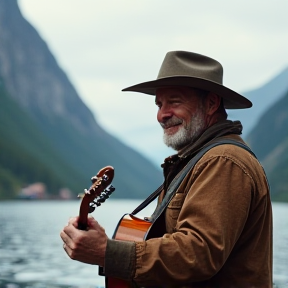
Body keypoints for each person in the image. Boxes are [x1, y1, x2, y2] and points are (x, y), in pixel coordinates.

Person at [60, 51, 272, 287]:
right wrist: (110, 247)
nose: (162, 115)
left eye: (175, 101)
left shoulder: (223, 160)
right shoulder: (195, 161)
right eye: (160, 104)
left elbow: (198, 254)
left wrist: (107, 252)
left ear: (211, 103)